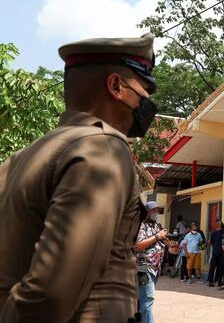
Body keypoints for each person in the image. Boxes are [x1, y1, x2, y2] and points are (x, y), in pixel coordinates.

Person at [0, 33, 157, 322]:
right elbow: (51, 291)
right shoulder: (104, 148)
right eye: (144, 91)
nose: (147, 103)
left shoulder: (19, 159)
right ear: (116, 87)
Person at [134, 202, 168, 323]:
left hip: (154, 268)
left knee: (141, 300)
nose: (155, 213)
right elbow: (138, 245)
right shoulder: (141, 225)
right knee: (147, 300)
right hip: (145, 267)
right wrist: (158, 236)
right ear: (146, 212)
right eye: (153, 210)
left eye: (157, 210)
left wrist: (165, 240)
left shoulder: (155, 225)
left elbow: (158, 242)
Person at [207, 221, 224, 287]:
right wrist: (214, 245)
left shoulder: (223, 232)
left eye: (220, 223)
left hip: (222, 252)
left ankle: (218, 281)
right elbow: (210, 242)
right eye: (219, 223)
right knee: (212, 267)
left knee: (220, 268)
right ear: (216, 225)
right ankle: (210, 281)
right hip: (215, 252)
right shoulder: (214, 233)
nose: (220, 224)